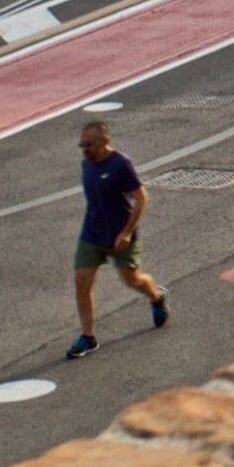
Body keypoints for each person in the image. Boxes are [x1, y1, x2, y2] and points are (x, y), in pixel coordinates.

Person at [67, 119, 168, 360]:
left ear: (105, 142)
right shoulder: (87, 164)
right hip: (92, 233)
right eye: (82, 144)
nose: (85, 149)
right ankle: (88, 337)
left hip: (120, 234)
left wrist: (126, 232)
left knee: (131, 280)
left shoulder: (121, 164)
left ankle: (156, 296)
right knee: (81, 282)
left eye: (89, 144)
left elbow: (141, 199)